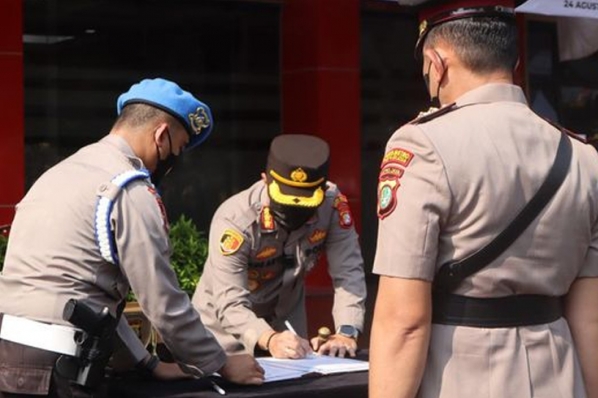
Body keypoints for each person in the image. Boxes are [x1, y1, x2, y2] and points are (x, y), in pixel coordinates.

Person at [369, 1, 598, 398]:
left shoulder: (423, 143)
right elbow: (593, 321)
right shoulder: (585, 158)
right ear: (513, 60)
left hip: (462, 375)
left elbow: (404, 321)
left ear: (436, 62)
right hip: (561, 373)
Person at [0, 78, 264, 397]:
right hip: (61, 369)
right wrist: (220, 363)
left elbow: (91, 297)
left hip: (11, 357)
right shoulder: (129, 188)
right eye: (177, 150)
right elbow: (162, 300)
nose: (171, 165)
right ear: (161, 136)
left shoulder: (58, 175)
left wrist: (148, 364)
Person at [192, 134, 366, 359]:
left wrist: (347, 331)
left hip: (290, 332)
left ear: (322, 190)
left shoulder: (331, 206)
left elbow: (348, 272)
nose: (294, 211)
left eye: (306, 203)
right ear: (265, 180)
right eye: (284, 200)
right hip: (223, 337)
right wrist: (270, 339)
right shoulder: (236, 220)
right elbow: (230, 302)